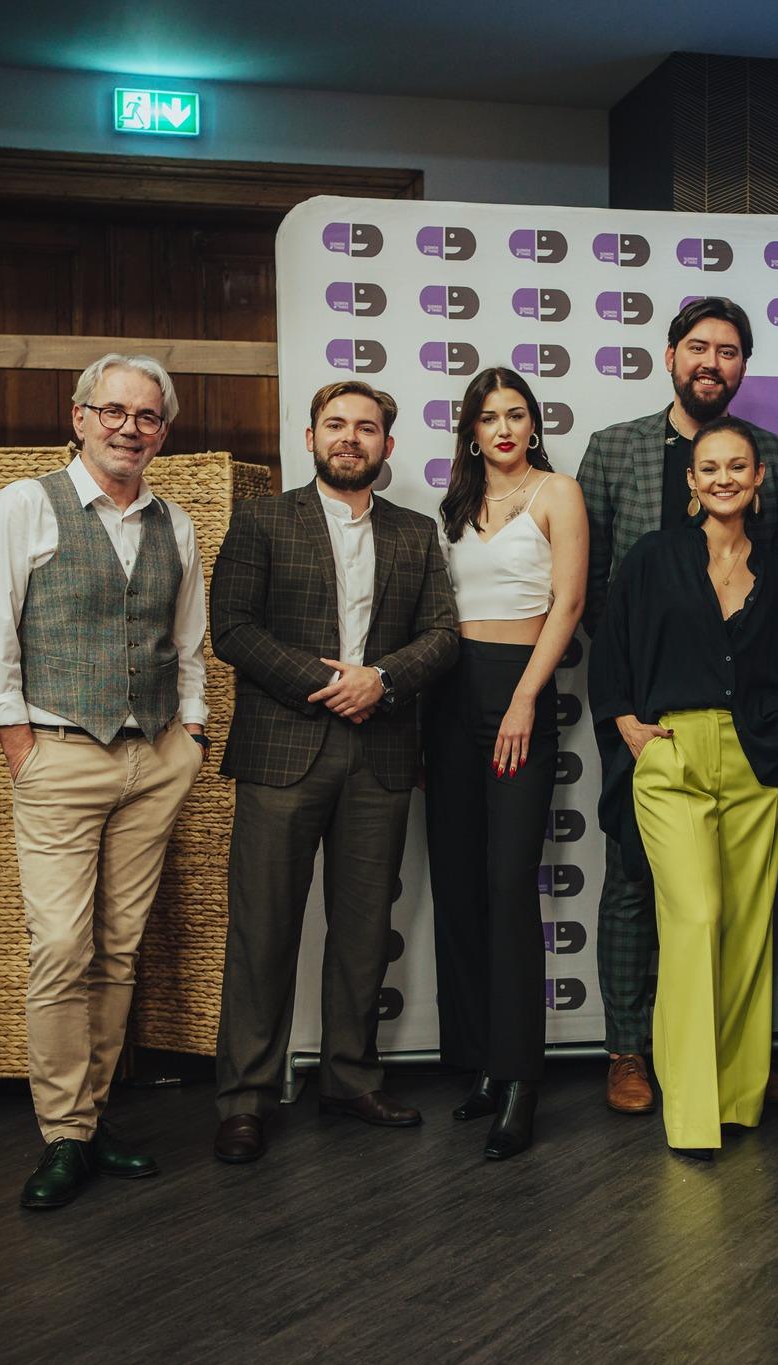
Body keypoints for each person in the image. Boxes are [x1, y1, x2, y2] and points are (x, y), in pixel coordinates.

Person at [0, 353, 208, 1208]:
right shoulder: (24, 506)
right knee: (63, 946)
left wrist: (192, 736)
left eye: (147, 416)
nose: (128, 427)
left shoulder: (176, 524)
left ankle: (91, 1118)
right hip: (60, 754)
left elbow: (187, 644)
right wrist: (22, 747)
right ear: (79, 417)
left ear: (162, 433)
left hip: (155, 757)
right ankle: (63, 1132)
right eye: (113, 411)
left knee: (119, 946)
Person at [209, 380, 459, 1164]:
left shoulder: (416, 532)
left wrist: (380, 679)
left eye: (367, 427)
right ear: (311, 436)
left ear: (388, 445)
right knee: (263, 928)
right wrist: (327, 682)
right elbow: (232, 627)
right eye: (336, 424)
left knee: (362, 929)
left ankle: (350, 1077)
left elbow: (444, 634)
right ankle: (246, 1097)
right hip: (283, 749)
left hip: (379, 752)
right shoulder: (261, 520)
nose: (351, 437)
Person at [578, 297, 778, 1116]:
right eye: (699, 347)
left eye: (730, 350)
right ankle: (629, 1051)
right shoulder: (615, 449)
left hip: (746, 730)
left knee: (740, 912)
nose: (713, 361)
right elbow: (593, 589)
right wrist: (626, 709)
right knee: (636, 885)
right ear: (671, 355)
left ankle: (729, 1063)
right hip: (653, 717)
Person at [422, 368, 587, 1161]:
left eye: (516, 414)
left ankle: (522, 1079)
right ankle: (483, 1063)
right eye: (489, 417)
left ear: (533, 422)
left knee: (509, 884)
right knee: (458, 885)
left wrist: (525, 697)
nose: (504, 428)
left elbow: (569, 604)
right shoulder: (453, 507)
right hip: (450, 694)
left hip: (518, 689)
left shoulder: (558, 493)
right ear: (471, 431)